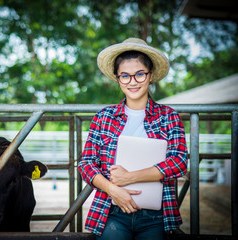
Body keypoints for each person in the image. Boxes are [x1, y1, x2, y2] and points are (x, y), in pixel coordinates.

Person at [78, 38, 188, 240]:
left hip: (157, 215)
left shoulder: (169, 116)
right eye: (125, 76)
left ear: (151, 75)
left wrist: (129, 177)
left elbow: (179, 162)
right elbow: (86, 164)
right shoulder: (104, 117)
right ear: (118, 79)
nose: (133, 81)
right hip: (112, 213)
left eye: (139, 74)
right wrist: (112, 189)